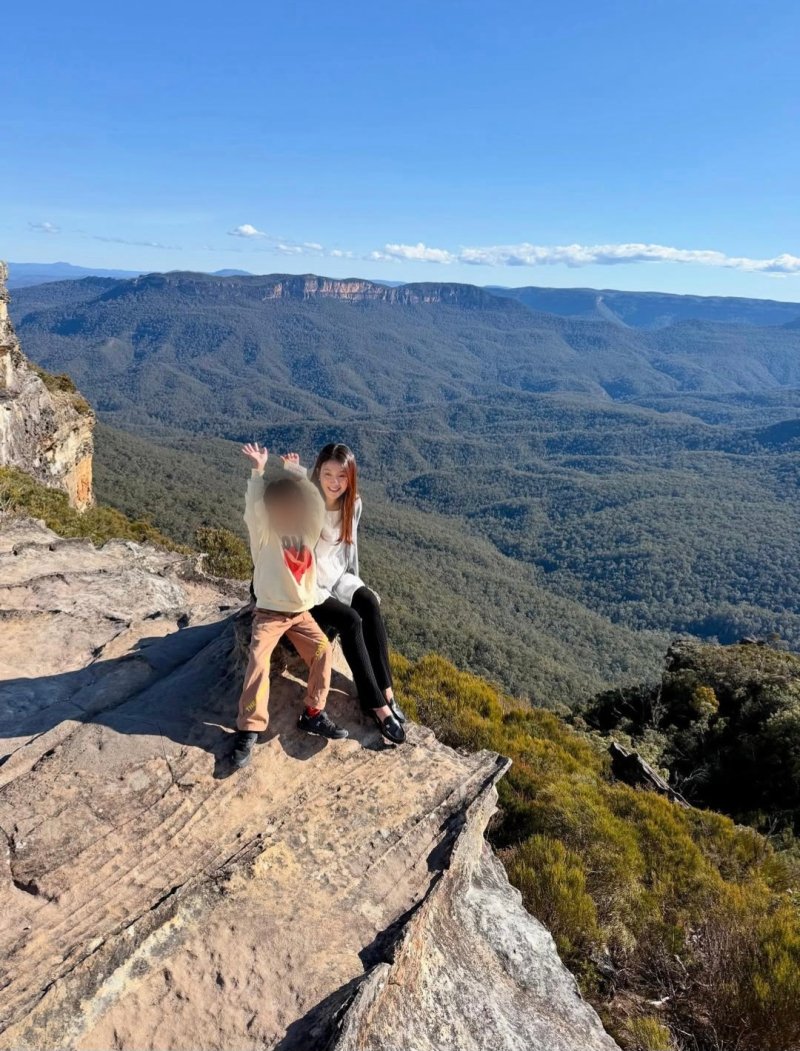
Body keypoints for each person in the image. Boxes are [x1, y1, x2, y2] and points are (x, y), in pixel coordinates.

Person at [230, 442, 348, 770]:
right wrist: (258, 471)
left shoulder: (308, 529)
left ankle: (313, 712)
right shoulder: (264, 535)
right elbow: (252, 508)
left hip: (300, 613)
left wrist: (296, 472)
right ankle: (249, 727)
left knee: (323, 652)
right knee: (258, 660)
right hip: (269, 613)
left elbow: (314, 501)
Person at [284, 443, 406, 745]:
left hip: (338, 575)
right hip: (311, 585)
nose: (334, 482)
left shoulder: (353, 503)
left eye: (342, 475)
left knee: (369, 603)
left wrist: (357, 582)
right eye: (327, 474)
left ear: (351, 477)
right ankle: (376, 704)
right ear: (318, 473)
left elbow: (351, 548)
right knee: (351, 620)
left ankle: (387, 690)